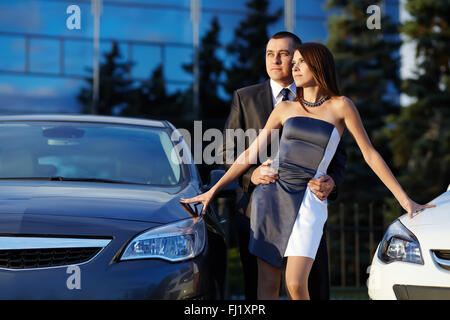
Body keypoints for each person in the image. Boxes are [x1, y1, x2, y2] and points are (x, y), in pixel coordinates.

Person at [181, 42, 435, 300]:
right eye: (294, 64)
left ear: (319, 64)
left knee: (295, 284)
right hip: (270, 197)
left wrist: (405, 201)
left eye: (300, 62)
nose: (295, 67)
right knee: (266, 288)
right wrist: (212, 190)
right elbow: (250, 154)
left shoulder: (341, 106)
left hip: (310, 201)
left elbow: (370, 154)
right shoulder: (285, 108)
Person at [221, 31, 346, 300]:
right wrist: (252, 175)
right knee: (260, 289)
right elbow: (227, 150)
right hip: (259, 208)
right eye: (269, 54)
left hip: (307, 205)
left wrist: (332, 181)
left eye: (284, 54)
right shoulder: (245, 97)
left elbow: (338, 154)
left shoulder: (327, 105)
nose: (275, 60)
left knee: (308, 286)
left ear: (299, 59)